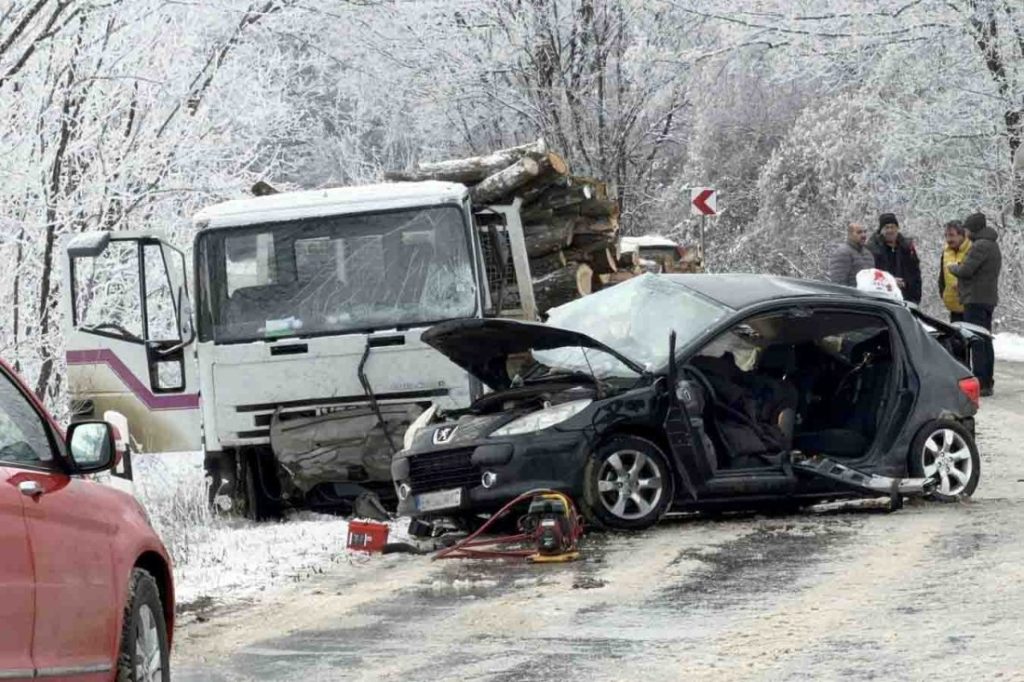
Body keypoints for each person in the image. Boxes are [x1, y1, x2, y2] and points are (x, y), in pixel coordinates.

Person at [948, 212, 1002, 396]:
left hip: (975, 299)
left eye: (967, 228)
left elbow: (966, 270)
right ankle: (987, 381)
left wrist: (953, 267)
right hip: (988, 299)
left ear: (974, 228)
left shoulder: (979, 246)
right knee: (986, 341)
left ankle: (981, 382)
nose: (966, 231)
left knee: (977, 341)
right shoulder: (993, 245)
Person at [868, 213, 922, 303]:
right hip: (883, 300)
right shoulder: (873, 249)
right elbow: (871, 275)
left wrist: (915, 297)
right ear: (881, 230)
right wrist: (891, 281)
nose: (890, 230)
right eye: (886, 227)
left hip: (907, 299)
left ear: (897, 229)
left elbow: (915, 273)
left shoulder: (907, 248)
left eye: (892, 227)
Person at [938, 220, 971, 322]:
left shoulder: (973, 250)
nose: (948, 239)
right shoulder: (946, 252)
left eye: (952, 235)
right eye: (946, 236)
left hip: (972, 309)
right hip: (954, 308)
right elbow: (942, 278)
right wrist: (944, 294)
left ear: (962, 235)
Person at [826, 222, 874, 287]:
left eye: (864, 232)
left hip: (867, 296)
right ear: (850, 235)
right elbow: (838, 284)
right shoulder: (842, 253)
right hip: (850, 296)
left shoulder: (868, 254)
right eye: (859, 232)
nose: (863, 235)